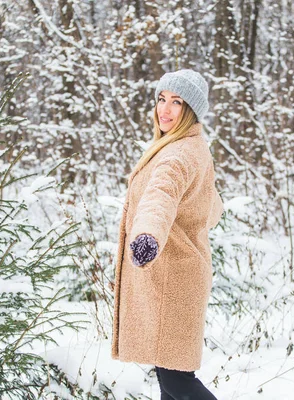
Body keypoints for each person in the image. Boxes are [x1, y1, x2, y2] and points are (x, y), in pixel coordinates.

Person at [111, 69, 223, 400]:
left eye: (177, 102)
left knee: (176, 381)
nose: (166, 109)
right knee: (170, 378)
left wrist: (148, 235)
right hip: (177, 276)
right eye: (162, 99)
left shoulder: (177, 154)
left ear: (191, 110)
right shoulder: (189, 147)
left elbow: (160, 198)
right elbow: (210, 205)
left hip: (171, 282)